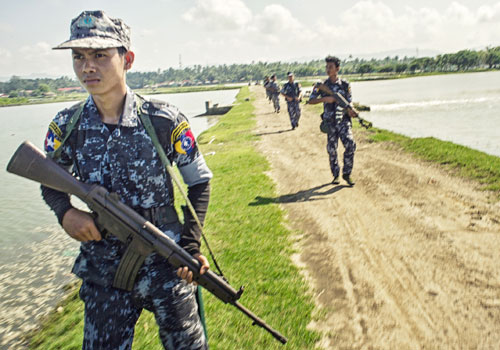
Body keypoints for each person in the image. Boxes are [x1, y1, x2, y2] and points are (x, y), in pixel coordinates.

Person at [41, 10, 211, 350]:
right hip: (102, 269)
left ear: (127, 59)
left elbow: (199, 182)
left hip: (166, 261)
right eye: (79, 57)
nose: (87, 67)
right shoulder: (66, 126)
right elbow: (49, 179)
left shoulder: (163, 120)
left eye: (100, 56)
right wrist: (66, 213)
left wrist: (191, 244)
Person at [307, 55, 357, 186]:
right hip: (330, 123)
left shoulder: (345, 84)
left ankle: (347, 173)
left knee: (350, 144)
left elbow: (349, 101)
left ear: (337, 69)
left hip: (344, 121)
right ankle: (335, 175)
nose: (328, 69)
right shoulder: (321, 85)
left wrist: (352, 109)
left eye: (331, 67)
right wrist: (325, 99)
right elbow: (310, 101)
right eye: (326, 67)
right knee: (332, 150)